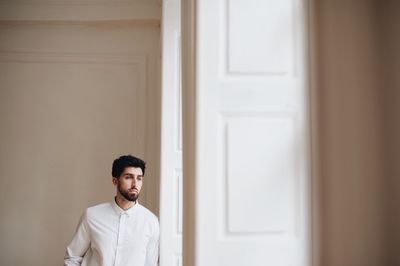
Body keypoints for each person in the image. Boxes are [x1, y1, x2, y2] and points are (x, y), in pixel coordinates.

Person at [64, 155, 159, 266]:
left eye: (139, 178)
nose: (135, 184)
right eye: (128, 177)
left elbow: (151, 263)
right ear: (115, 181)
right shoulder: (91, 216)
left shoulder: (151, 221)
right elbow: (72, 257)